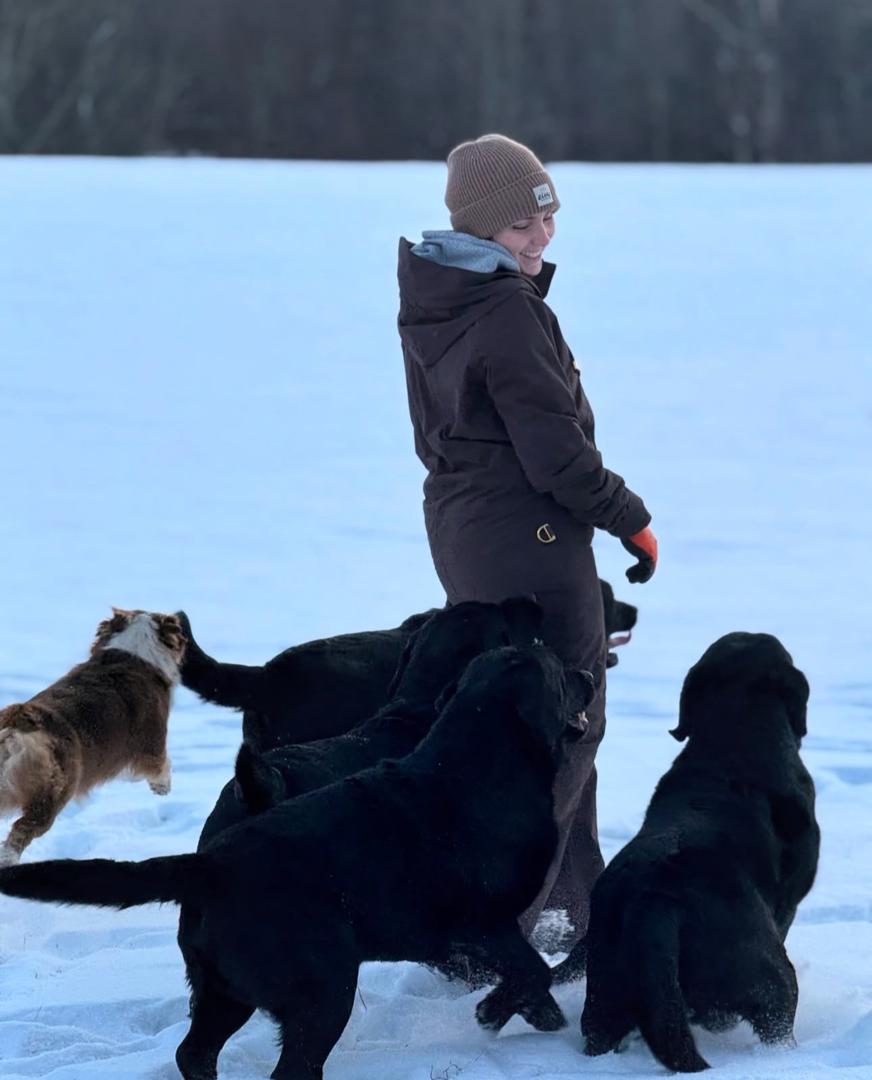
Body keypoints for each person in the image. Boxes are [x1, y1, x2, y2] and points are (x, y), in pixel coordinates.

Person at [396, 133, 657, 946]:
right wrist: (630, 518)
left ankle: (574, 909)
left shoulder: (439, 296)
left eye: (546, 218)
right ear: (479, 230)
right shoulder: (505, 312)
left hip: (466, 530)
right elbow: (558, 455)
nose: (540, 237)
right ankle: (506, 920)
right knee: (563, 728)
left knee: (528, 724)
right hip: (531, 537)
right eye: (520, 226)